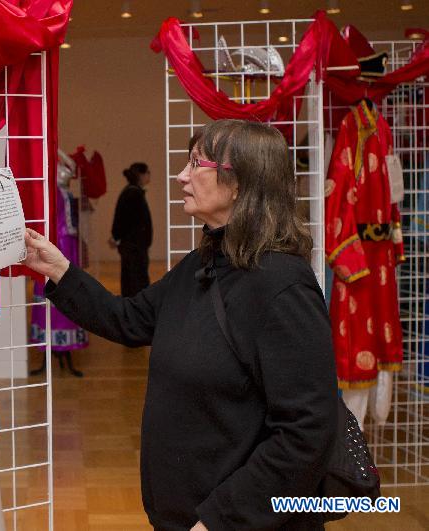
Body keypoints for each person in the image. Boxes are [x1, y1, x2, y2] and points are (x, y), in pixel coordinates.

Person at [23, 120, 338, 530]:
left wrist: (218, 520)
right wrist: (60, 270)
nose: (181, 175)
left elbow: (306, 434)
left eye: (196, 163)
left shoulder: (282, 286)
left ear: (240, 182)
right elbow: (130, 320)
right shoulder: (203, 264)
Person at [111, 162, 153, 297]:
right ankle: (136, 311)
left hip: (134, 246)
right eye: (147, 173)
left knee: (132, 279)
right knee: (136, 281)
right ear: (140, 175)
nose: (149, 176)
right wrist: (116, 236)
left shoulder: (133, 192)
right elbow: (123, 220)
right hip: (133, 247)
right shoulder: (133, 194)